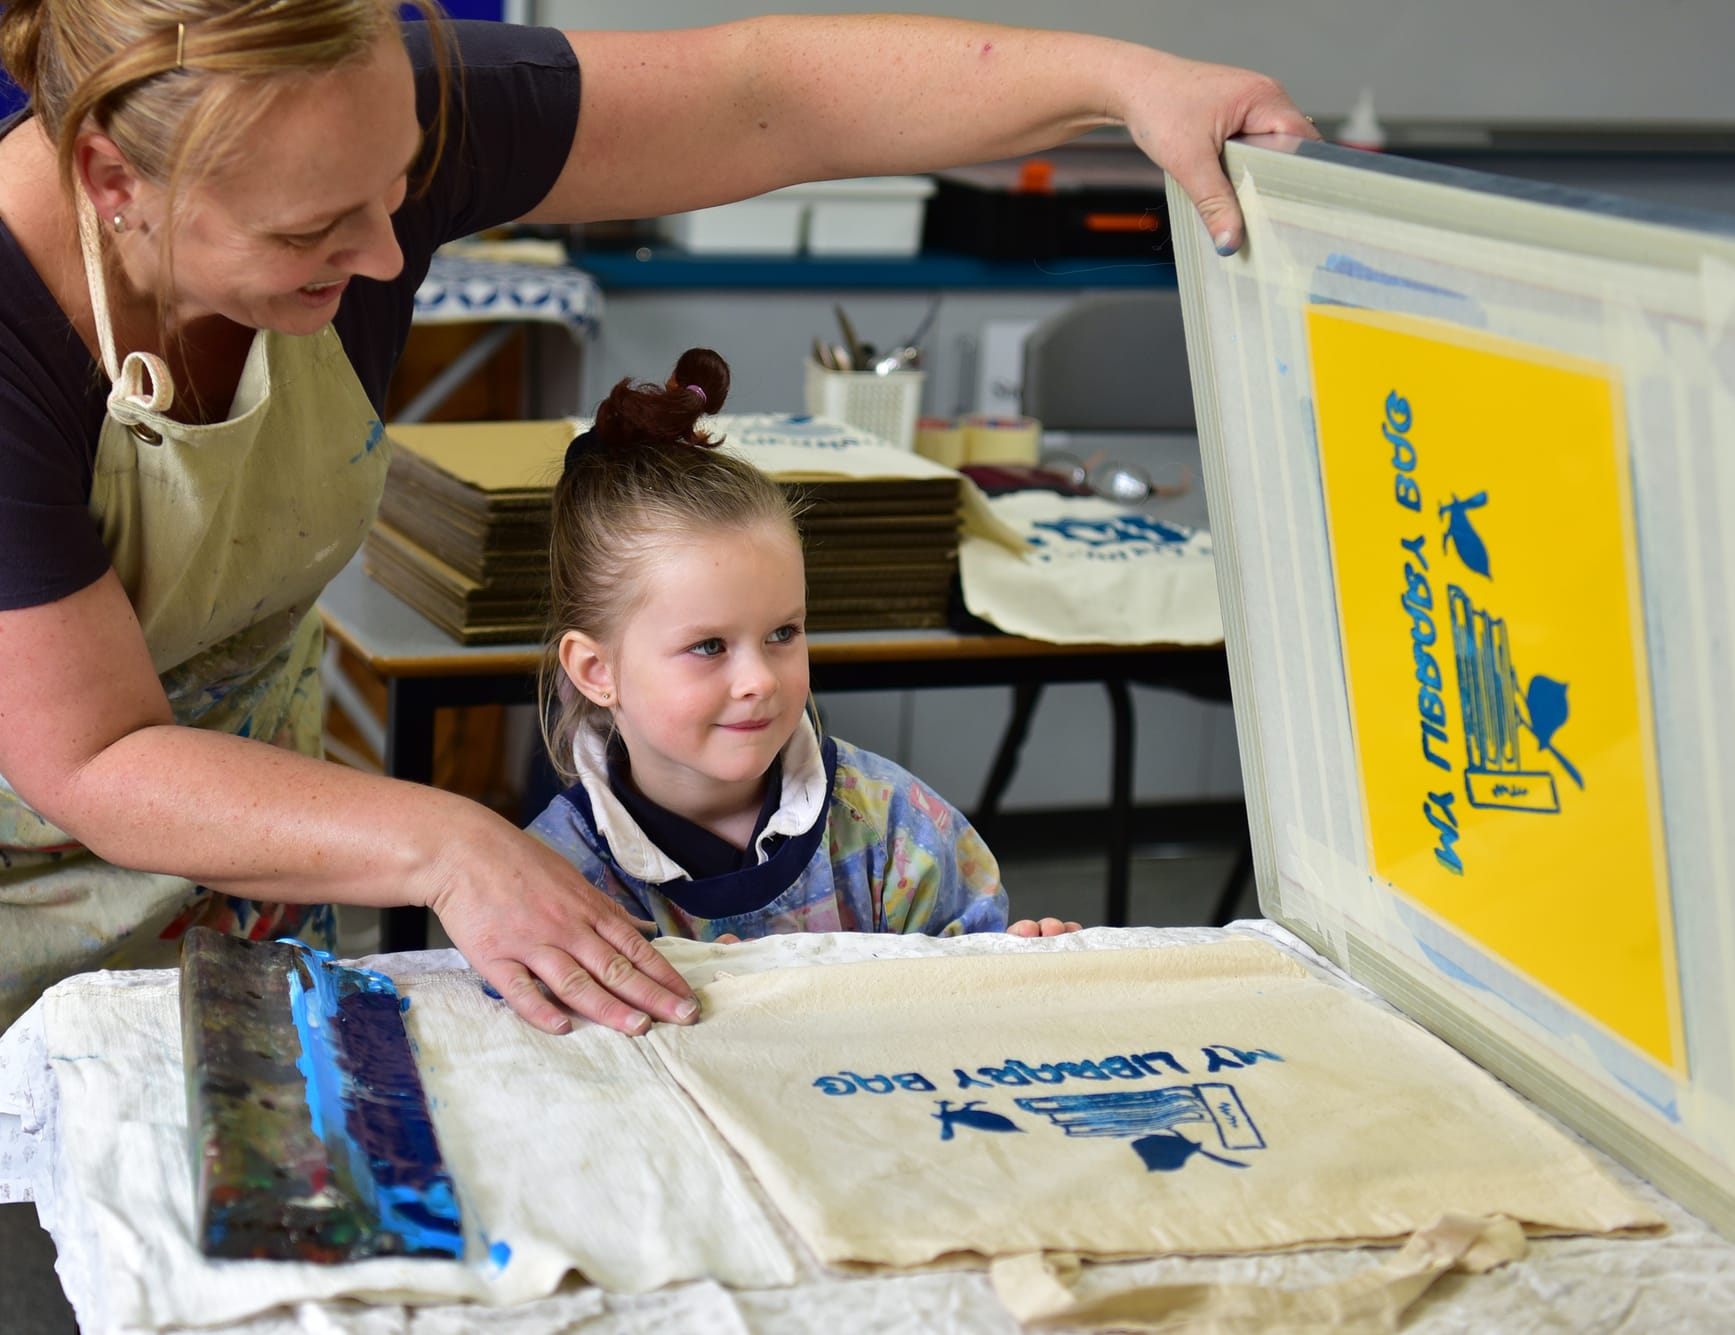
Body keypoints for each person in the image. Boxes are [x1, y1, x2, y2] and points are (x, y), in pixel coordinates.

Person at [0, 0, 1314, 1036]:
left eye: (399, 187)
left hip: (246, 857)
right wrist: (447, 838)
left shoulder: (342, 104)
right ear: (115, 177)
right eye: (321, 228)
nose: (393, 256)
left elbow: (767, 93)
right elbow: (101, 751)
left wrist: (1123, 81)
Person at [527, 349, 1080, 944]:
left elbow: (968, 995)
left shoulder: (898, 827)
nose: (760, 680)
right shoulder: (545, 878)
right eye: (709, 645)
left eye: (783, 634)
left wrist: (1015, 970)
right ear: (594, 669)